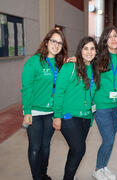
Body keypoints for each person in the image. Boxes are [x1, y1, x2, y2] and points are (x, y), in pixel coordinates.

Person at [21, 29, 68, 180]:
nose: (56, 45)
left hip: (51, 112)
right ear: (46, 42)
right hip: (34, 111)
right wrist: (27, 111)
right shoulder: (34, 61)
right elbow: (26, 88)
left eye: (60, 42)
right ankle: (36, 177)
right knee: (35, 147)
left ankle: (43, 173)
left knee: (46, 146)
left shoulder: (62, 64)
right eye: (53, 41)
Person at [52, 36, 99, 180]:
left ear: (96, 52)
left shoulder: (96, 69)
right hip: (69, 116)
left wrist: (91, 118)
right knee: (79, 149)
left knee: (75, 150)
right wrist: (57, 116)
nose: (89, 52)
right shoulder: (69, 67)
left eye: (92, 49)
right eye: (85, 48)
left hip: (85, 117)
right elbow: (58, 92)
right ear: (80, 50)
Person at [92, 26, 117, 180]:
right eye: (110, 37)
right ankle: (97, 169)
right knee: (108, 139)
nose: (113, 39)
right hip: (101, 106)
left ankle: (104, 166)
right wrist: (73, 59)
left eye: (115, 36)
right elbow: (83, 61)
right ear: (105, 41)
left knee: (110, 139)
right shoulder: (98, 56)